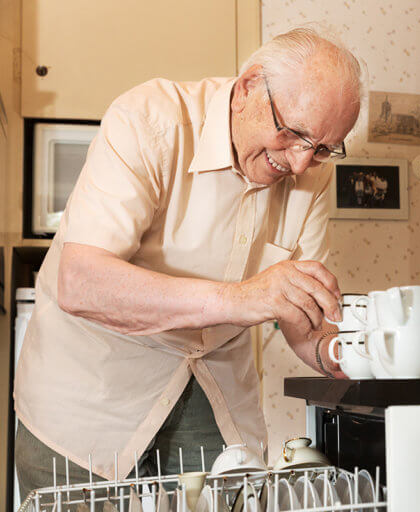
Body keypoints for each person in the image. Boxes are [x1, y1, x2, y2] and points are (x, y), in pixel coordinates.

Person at [14, 27, 363, 497]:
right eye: (293, 134)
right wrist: (243, 299)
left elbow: (304, 323)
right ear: (247, 89)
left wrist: (349, 354)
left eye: (321, 148)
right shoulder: (149, 119)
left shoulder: (310, 177)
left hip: (213, 396)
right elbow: (81, 282)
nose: (301, 164)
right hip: (87, 403)